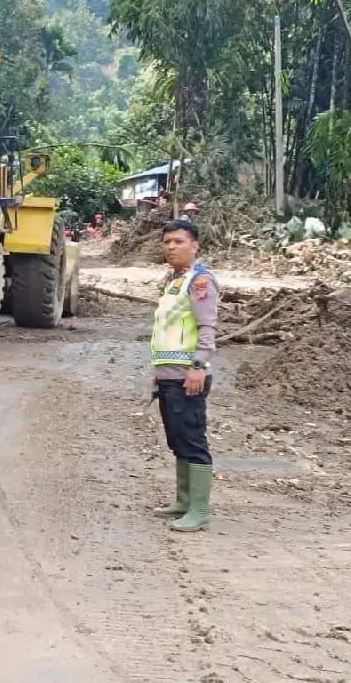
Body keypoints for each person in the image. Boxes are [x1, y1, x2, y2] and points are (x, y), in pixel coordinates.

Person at [149, 219, 219, 532]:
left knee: (192, 440)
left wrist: (198, 365)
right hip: (169, 375)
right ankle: (183, 501)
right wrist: (158, 374)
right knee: (177, 440)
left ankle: (199, 511)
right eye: (167, 242)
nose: (171, 247)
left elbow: (207, 327)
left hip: (188, 375)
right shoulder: (173, 281)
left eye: (178, 241)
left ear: (195, 245)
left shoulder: (200, 281)